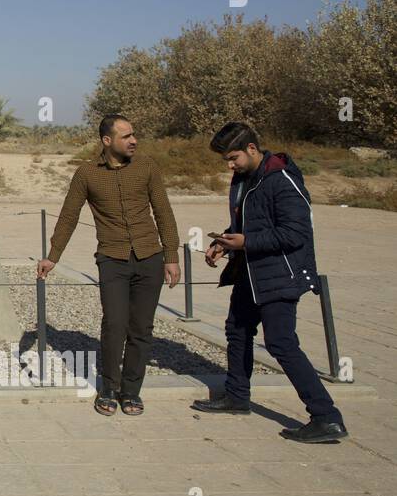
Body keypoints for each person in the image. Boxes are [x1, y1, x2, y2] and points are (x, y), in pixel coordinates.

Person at [192, 122, 347, 442]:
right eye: (226, 161)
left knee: (280, 342)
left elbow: (296, 233)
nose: (230, 165)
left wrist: (245, 242)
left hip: (281, 274)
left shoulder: (282, 179)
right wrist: (224, 242)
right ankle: (236, 396)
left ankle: (326, 416)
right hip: (251, 273)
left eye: (233, 158)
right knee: (236, 329)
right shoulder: (243, 178)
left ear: (252, 149)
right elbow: (249, 222)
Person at [36, 115, 180, 416]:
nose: (133, 140)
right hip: (112, 259)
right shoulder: (87, 173)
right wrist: (53, 255)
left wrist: (171, 256)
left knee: (142, 327)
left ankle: (131, 391)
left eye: (133, 135)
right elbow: (68, 215)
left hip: (149, 256)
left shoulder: (148, 167)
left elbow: (163, 212)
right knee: (115, 324)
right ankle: (109, 388)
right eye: (126, 136)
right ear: (107, 140)